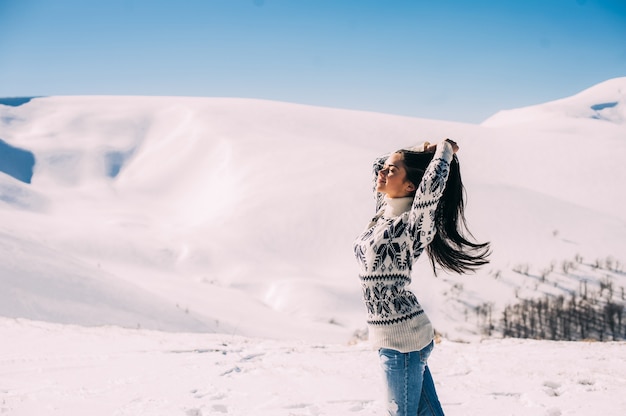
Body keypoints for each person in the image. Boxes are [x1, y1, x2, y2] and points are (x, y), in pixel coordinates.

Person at [353, 138, 490, 416]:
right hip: (395, 338)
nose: (383, 173)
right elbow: (377, 164)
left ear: (411, 186)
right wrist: (417, 152)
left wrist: (444, 152)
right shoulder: (383, 213)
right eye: (387, 169)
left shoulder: (414, 223)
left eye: (392, 171)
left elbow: (431, 187)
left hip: (402, 340)